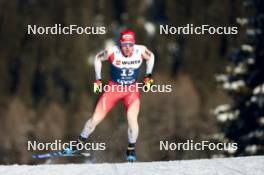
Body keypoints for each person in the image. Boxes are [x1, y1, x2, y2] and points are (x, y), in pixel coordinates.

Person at [65, 29, 155, 162]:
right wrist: (98, 79)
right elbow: (97, 58)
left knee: (132, 120)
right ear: (121, 44)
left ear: (134, 44)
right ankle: (79, 143)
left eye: (130, 45)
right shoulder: (113, 51)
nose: (128, 48)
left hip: (131, 91)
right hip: (113, 89)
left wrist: (148, 76)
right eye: (125, 45)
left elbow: (151, 56)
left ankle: (131, 148)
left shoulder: (140, 50)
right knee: (95, 119)